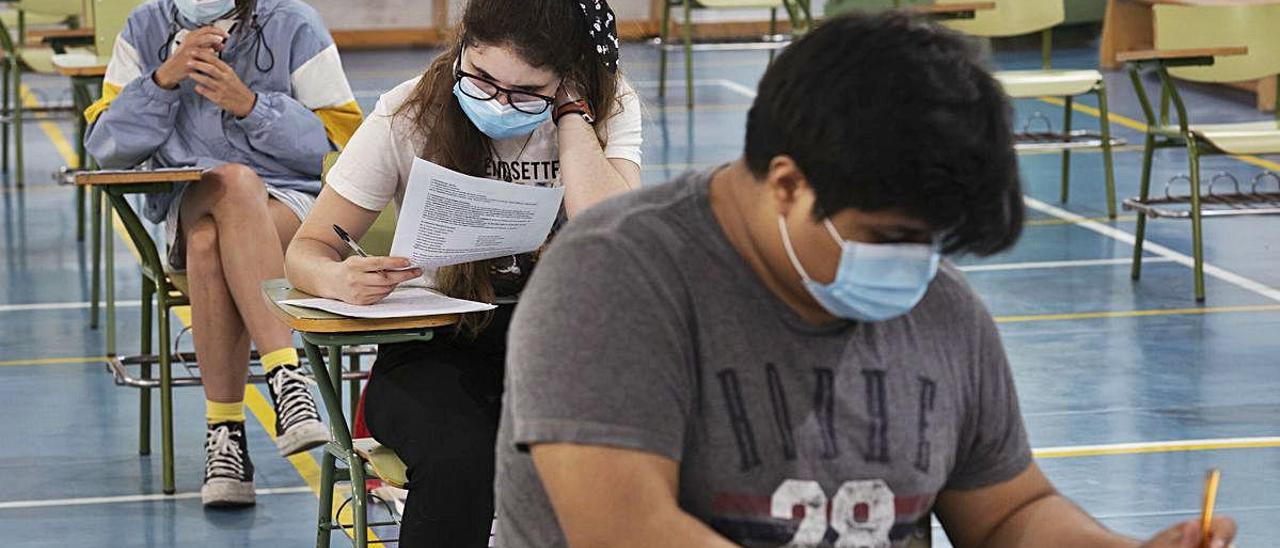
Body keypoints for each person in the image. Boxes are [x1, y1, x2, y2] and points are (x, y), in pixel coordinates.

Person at [494, 11, 1238, 548]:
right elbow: (627, 531)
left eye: (935, 244)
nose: (916, 267)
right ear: (788, 185)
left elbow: (1011, 512)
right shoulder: (611, 279)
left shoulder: (942, 310)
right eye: (891, 238)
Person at [284, 0, 642, 544]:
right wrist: (339, 279)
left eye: (524, 92)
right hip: (430, 348)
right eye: (480, 78)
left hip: (560, 348)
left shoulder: (606, 104)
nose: (498, 101)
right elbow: (305, 249)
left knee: (635, 443)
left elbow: (612, 231)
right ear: (462, 48)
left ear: (568, 78)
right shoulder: (407, 111)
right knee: (464, 456)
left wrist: (571, 118)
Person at [84, 0, 362, 507]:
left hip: (287, 209)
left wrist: (252, 106)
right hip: (187, 201)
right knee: (230, 183)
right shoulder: (146, 26)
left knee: (212, 245)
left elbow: (342, 145)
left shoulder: (293, 22)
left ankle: (225, 441)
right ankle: (287, 376)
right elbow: (105, 148)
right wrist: (163, 81)